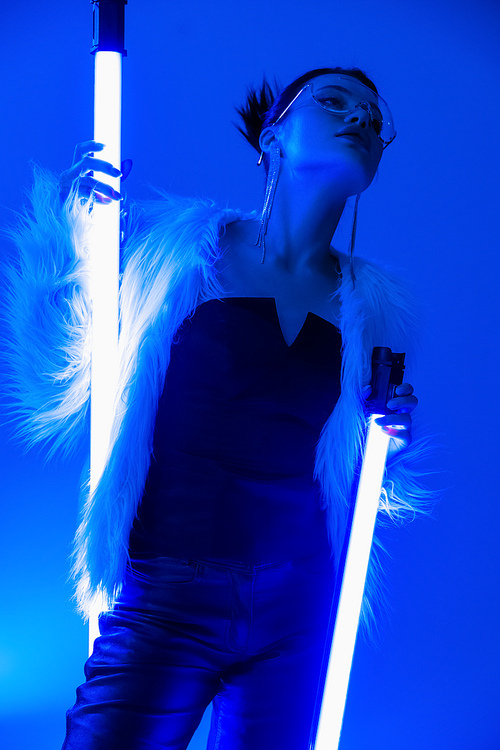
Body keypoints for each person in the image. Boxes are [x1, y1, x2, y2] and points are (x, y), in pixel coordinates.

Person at [4, 66, 430, 749]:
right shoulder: (180, 253)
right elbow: (56, 374)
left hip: (299, 610)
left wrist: (390, 443)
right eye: (334, 102)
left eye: (375, 122)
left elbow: (358, 475)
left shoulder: (371, 309)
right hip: (165, 596)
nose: (360, 121)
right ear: (273, 136)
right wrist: (71, 240)